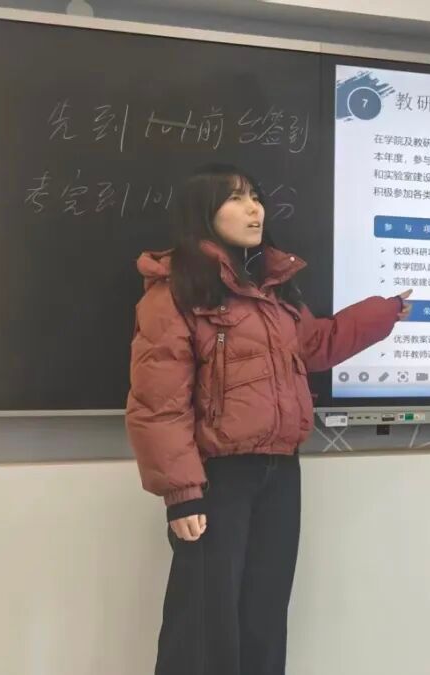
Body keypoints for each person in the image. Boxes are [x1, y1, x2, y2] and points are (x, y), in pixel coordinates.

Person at [125, 163, 411, 675]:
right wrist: (182, 492)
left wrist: (381, 312)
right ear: (203, 212)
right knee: (205, 620)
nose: (254, 208)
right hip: (218, 477)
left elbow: (316, 345)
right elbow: (158, 402)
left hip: (280, 471)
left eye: (255, 196)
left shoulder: (272, 293)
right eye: (235, 198)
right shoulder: (174, 293)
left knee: (264, 613)